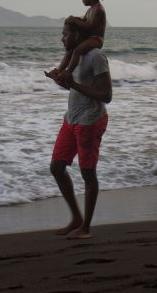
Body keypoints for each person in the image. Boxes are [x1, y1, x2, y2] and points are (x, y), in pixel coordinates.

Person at [45, 21, 112, 239]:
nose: (61, 38)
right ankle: (76, 217)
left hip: (90, 121)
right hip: (71, 117)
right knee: (56, 167)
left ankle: (86, 228)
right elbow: (73, 84)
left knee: (87, 173)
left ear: (76, 34)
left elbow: (106, 96)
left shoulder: (96, 57)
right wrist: (60, 79)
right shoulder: (75, 56)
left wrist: (73, 85)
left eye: (64, 34)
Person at [46, 0, 106, 83]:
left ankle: (68, 71)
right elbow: (85, 21)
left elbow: (89, 26)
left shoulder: (98, 9)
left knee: (77, 50)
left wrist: (74, 20)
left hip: (96, 39)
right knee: (70, 50)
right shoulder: (91, 9)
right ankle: (59, 70)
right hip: (90, 38)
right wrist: (74, 18)